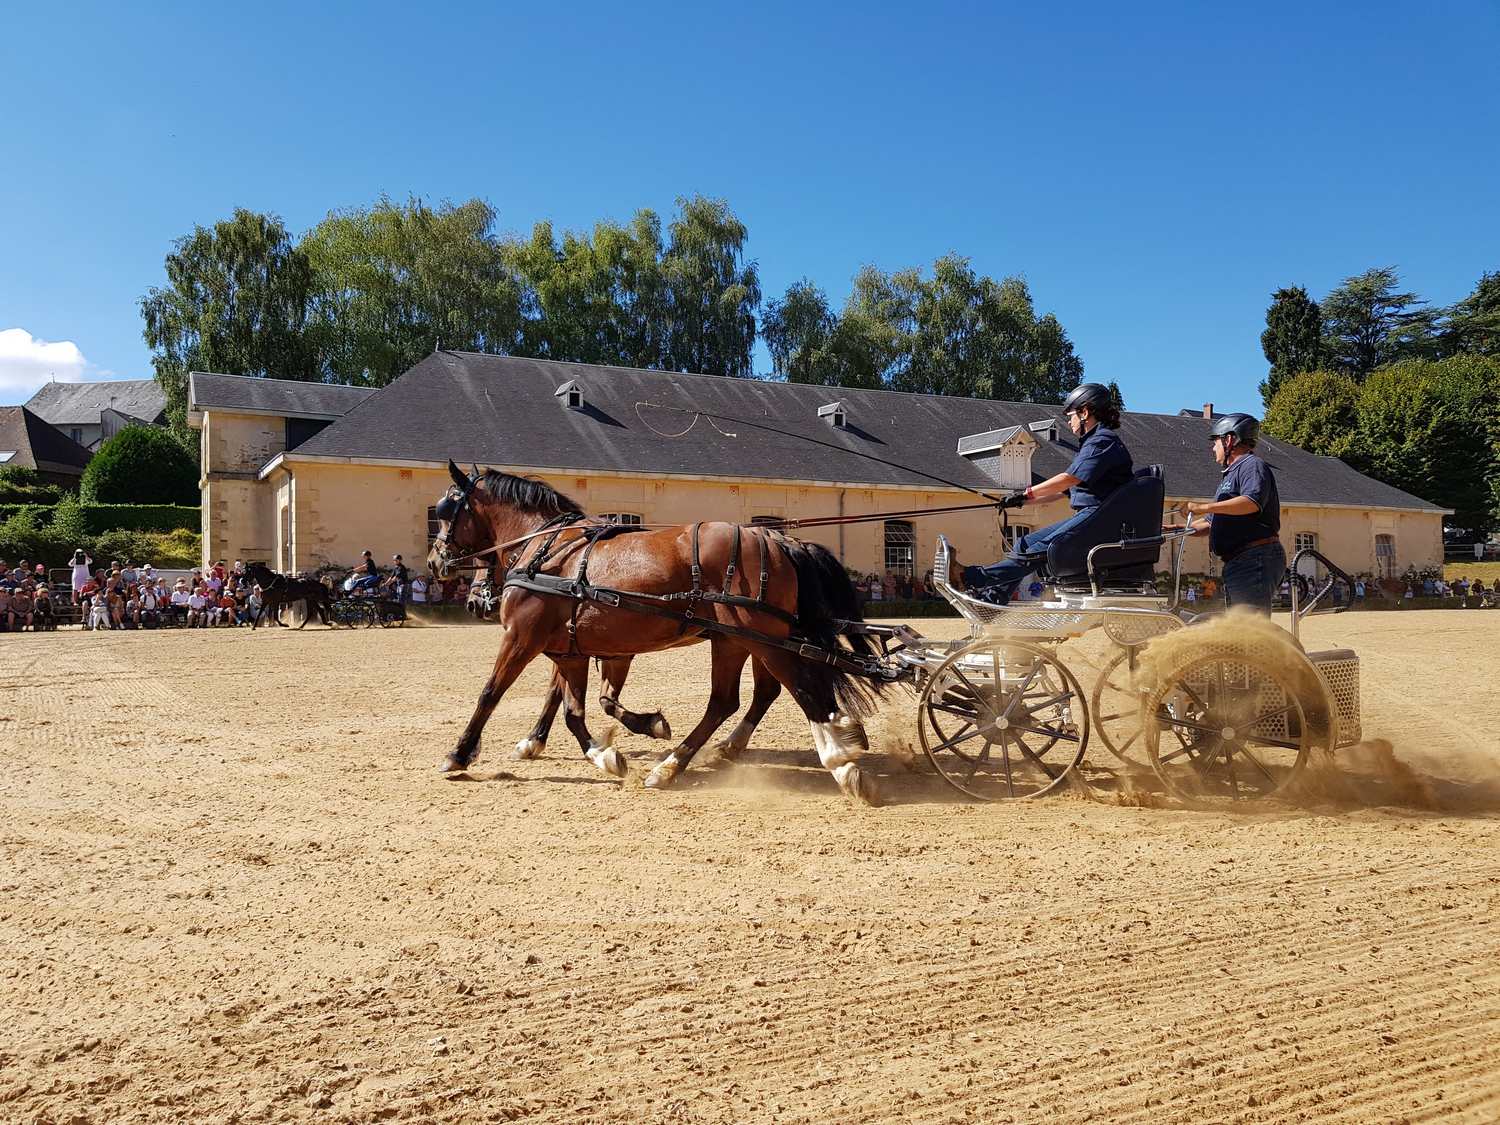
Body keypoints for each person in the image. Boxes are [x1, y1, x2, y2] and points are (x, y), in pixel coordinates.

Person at [962, 383, 1134, 604]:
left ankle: (972, 577)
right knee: (1024, 544)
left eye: (1070, 415)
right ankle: (992, 601)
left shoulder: (1102, 442)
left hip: (1100, 518)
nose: (1069, 422)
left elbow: (1068, 479)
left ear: (1084, 413)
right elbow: (1065, 491)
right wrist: (1019, 502)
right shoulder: (1094, 443)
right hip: (1094, 516)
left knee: (1037, 550)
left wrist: (1027, 493)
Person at [1169, 413, 1284, 614]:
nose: (1213, 448)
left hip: (1254, 557)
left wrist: (1203, 507)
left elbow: (1251, 502)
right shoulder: (1230, 476)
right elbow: (1210, 523)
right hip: (1241, 561)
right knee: (1239, 623)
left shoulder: (1251, 465)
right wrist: (1174, 530)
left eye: (1215, 442)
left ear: (1229, 440)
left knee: (1249, 624)